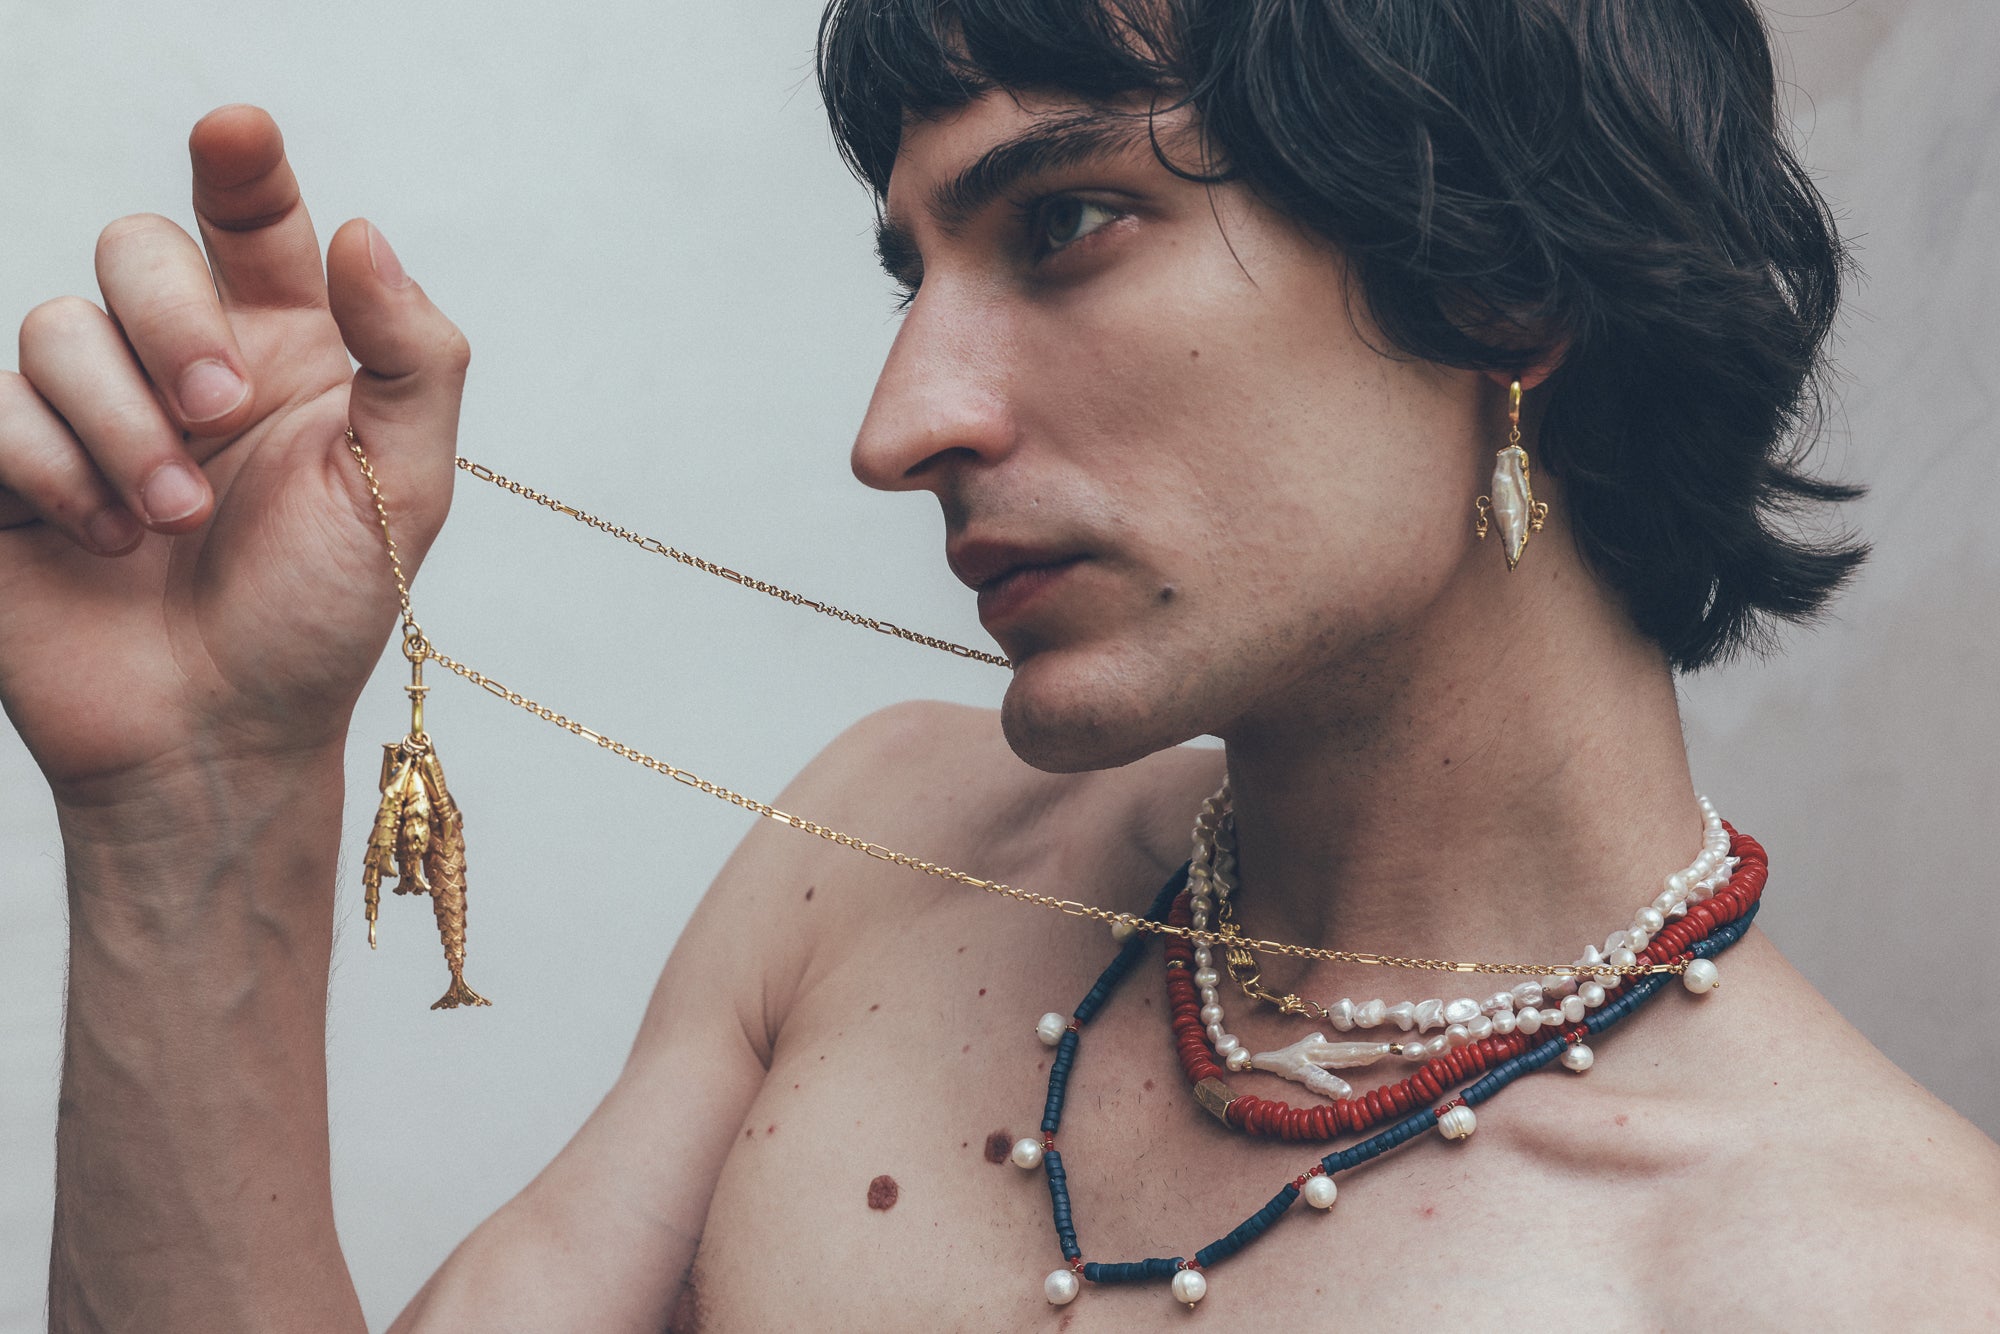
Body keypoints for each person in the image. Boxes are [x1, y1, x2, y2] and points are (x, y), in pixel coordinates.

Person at [4, 0, 1996, 1328]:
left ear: (1502, 275)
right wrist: (194, 794)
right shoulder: (880, 860)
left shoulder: (1867, 1280)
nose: (898, 426)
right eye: (913, 270)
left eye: (1063, 223)